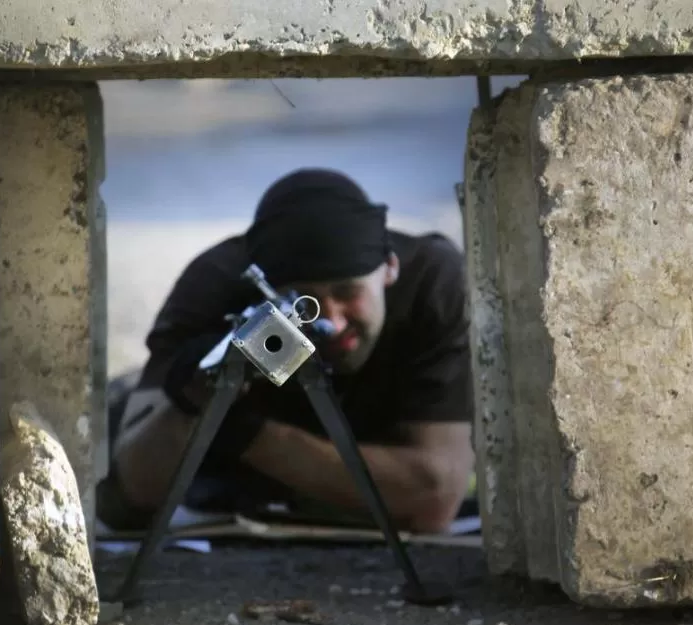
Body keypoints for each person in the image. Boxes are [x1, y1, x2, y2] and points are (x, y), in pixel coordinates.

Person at [97, 168, 474, 535]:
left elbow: (433, 499)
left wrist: (235, 428)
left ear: (389, 268)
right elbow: (128, 498)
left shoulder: (431, 281)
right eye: (302, 304)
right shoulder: (214, 284)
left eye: (347, 293)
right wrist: (195, 399)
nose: (331, 323)